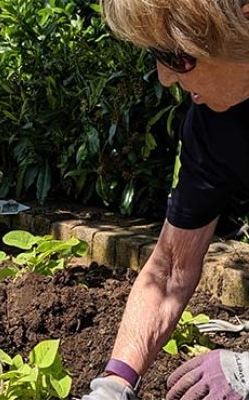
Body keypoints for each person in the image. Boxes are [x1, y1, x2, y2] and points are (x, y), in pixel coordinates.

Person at [82, 0, 249, 399]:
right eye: (156, 55)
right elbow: (171, 266)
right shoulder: (213, 127)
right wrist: (115, 383)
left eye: (177, 57)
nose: (165, 78)